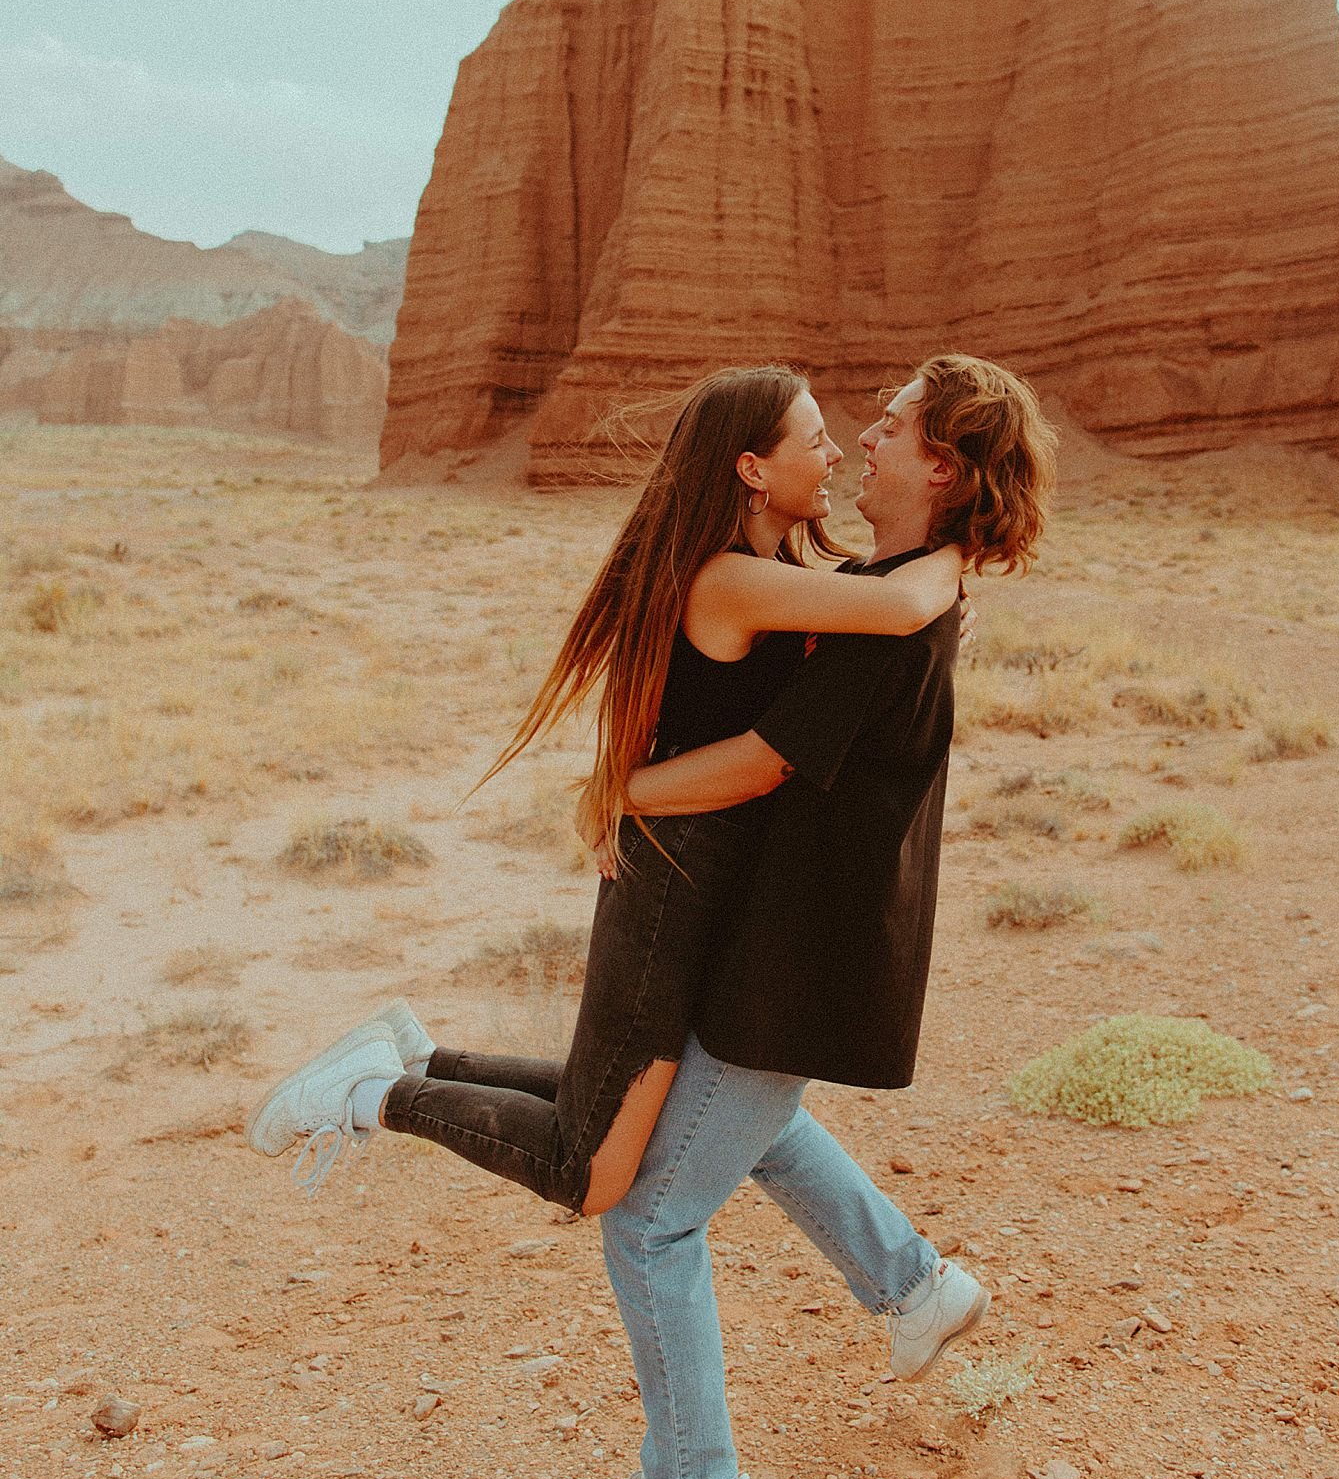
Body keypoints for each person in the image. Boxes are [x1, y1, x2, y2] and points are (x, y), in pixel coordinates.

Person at [245, 365, 966, 1215]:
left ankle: (417, 1057)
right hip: (674, 876)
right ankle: (372, 1095)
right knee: (589, 1172)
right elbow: (893, 609)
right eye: (814, 440)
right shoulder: (729, 579)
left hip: (711, 873)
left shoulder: (787, 576)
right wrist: (957, 555)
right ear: (752, 470)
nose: (838, 449)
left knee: (625, 1092)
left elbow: (877, 624)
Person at [574, 354, 1057, 1479]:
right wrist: (956, 560)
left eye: (889, 428)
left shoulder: (896, 604)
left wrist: (616, 796)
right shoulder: (887, 584)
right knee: (753, 1123)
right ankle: (913, 1287)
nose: (859, 442)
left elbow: (760, 762)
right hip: (800, 944)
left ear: (939, 465)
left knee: (649, 1221)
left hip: (799, 956)